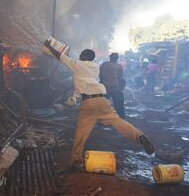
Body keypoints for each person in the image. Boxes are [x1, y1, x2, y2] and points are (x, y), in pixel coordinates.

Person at [43, 39, 154, 169]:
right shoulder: (95, 66)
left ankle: (76, 161)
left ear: (84, 57)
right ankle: (139, 136)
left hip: (89, 102)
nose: (79, 56)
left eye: (81, 55)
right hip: (102, 100)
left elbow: (60, 56)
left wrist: (49, 46)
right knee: (117, 121)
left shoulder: (78, 64)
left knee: (81, 132)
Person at [99, 53, 126, 119]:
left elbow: (100, 75)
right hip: (115, 86)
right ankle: (121, 118)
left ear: (110, 57)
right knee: (119, 104)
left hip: (104, 86)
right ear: (117, 58)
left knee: (102, 104)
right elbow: (120, 77)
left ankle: (101, 118)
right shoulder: (119, 66)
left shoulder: (104, 64)